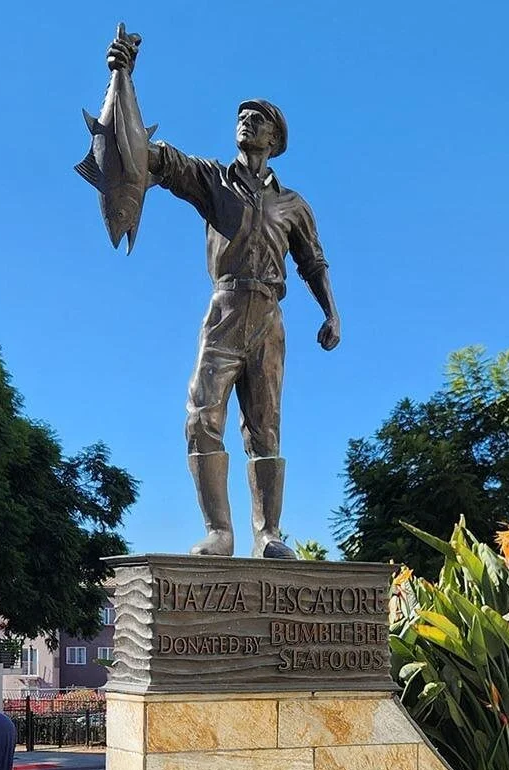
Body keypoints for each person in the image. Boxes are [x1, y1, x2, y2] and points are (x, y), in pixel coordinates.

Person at [104, 34, 341, 560]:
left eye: (258, 118)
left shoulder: (294, 204)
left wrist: (331, 313)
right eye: (242, 115)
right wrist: (124, 77)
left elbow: (313, 261)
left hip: (270, 317)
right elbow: (153, 160)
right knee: (200, 414)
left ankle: (269, 534)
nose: (246, 121)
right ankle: (220, 532)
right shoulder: (214, 180)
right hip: (226, 308)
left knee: (266, 427)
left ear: (276, 138)